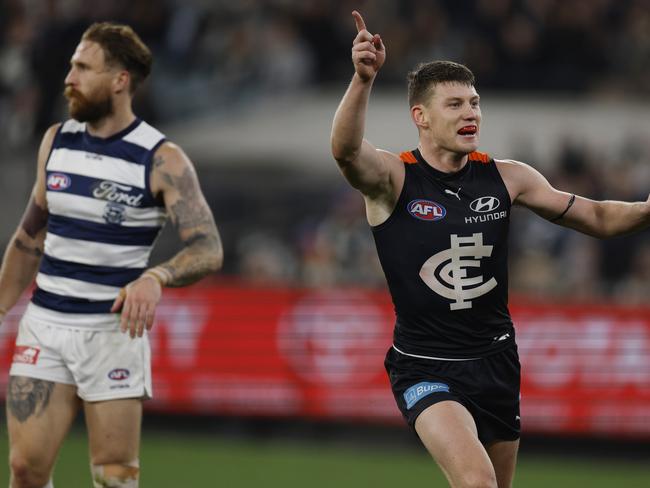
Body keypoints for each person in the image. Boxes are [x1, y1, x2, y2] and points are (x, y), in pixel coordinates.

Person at [331, 11, 650, 488]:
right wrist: (362, 80)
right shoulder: (394, 178)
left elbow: (599, 218)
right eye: (455, 104)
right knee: (476, 482)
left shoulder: (508, 176)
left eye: (475, 102)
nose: (471, 113)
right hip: (425, 364)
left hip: (497, 361)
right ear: (421, 116)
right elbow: (346, 152)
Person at [0, 22, 223, 488]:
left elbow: (208, 247)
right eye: (70, 66)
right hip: (47, 324)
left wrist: (155, 277)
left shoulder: (162, 159)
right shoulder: (56, 141)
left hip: (112, 331)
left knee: (114, 476)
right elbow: (28, 239)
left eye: (83, 67)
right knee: (24, 469)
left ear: (120, 80)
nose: (70, 77)